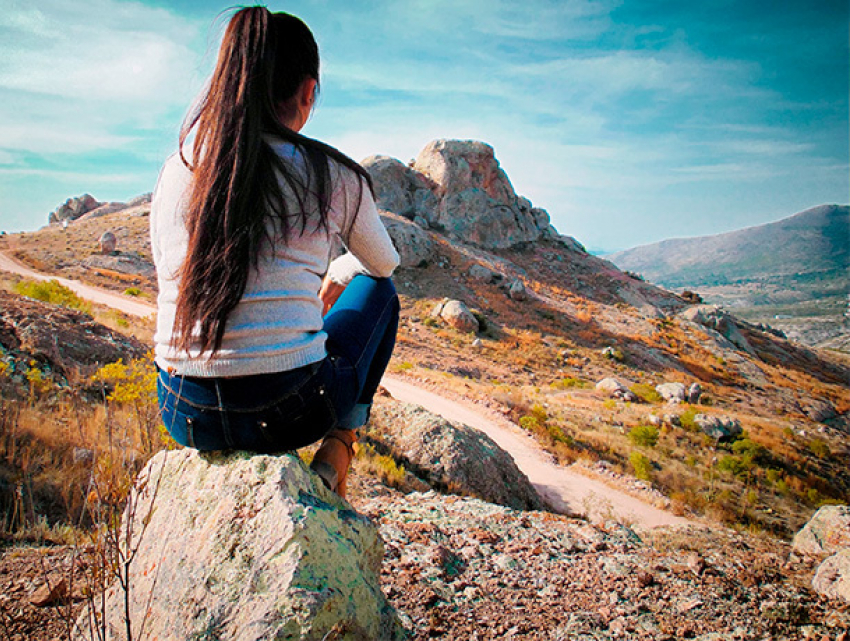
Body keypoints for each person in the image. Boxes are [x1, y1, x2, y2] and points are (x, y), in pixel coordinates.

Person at [150, 6, 400, 499]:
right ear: (308, 92)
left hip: (183, 408)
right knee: (379, 290)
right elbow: (385, 263)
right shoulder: (331, 173)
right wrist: (339, 269)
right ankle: (339, 448)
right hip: (287, 410)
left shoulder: (178, 167)